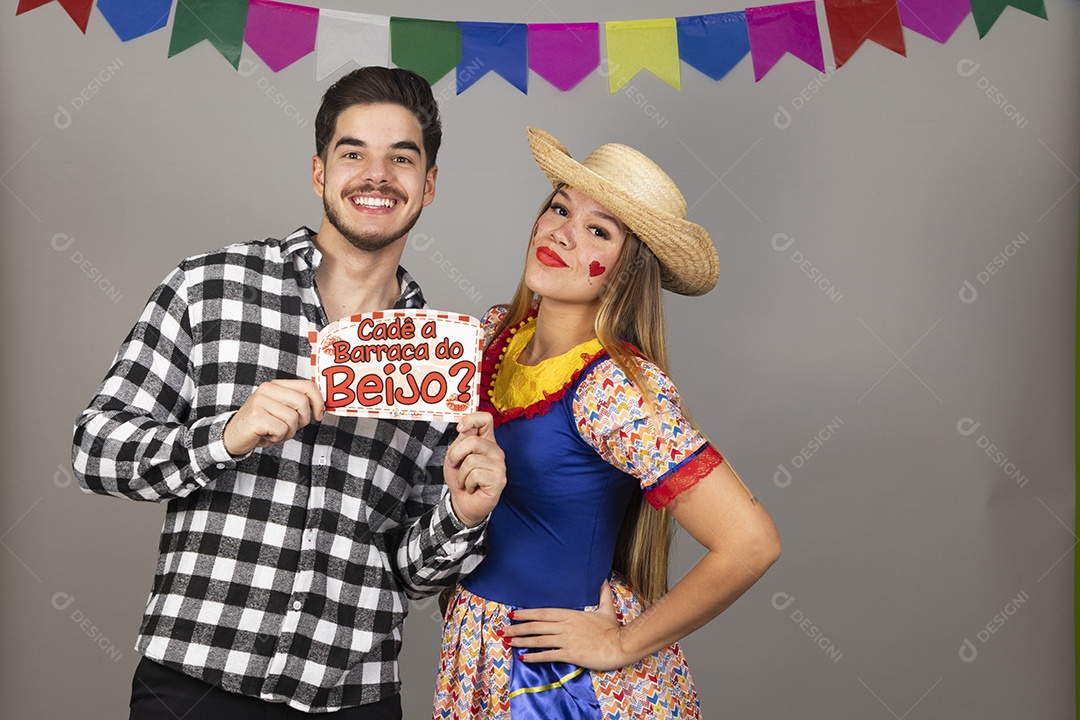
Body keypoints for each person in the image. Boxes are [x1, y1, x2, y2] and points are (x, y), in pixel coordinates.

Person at [72, 66, 505, 720]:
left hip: (354, 698)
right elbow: (94, 451)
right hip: (194, 683)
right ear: (319, 173)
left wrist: (463, 515)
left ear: (430, 183)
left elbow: (412, 573)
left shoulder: (439, 356)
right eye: (353, 153)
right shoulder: (209, 288)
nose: (377, 175)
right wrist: (225, 437)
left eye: (401, 158)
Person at [432, 128, 781, 719]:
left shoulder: (614, 389)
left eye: (599, 231)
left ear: (625, 271)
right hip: (478, 651)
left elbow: (751, 542)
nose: (563, 233)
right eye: (559, 209)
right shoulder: (492, 336)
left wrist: (620, 643)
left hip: (558, 682)